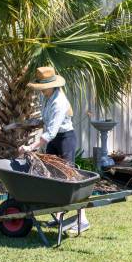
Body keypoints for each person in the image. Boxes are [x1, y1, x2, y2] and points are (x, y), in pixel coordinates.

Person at [19, 66, 89, 233]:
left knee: (68, 179)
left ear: (52, 84)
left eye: (43, 87)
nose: (41, 90)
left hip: (65, 140)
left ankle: (83, 220)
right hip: (54, 139)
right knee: (51, 176)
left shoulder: (59, 102)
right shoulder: (48, 97)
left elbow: (50, 133)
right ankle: (58, 217)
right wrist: (29, 123)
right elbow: (46, 122)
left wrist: (30, 147)